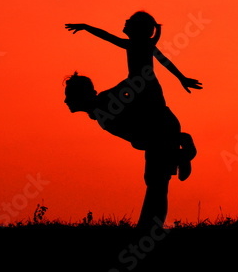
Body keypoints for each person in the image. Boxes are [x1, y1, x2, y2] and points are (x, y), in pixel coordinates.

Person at [64, 12, 200, 228]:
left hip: (149, 101)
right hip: (149, 105)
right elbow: (161, 60)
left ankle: (182, 152)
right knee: (155, 181)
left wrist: (86, 26)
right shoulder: (140, 47)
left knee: (156, 182)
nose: (124, 23)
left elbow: (108, 37)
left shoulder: (136, 49)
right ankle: (180, 152)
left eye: (129, 22)